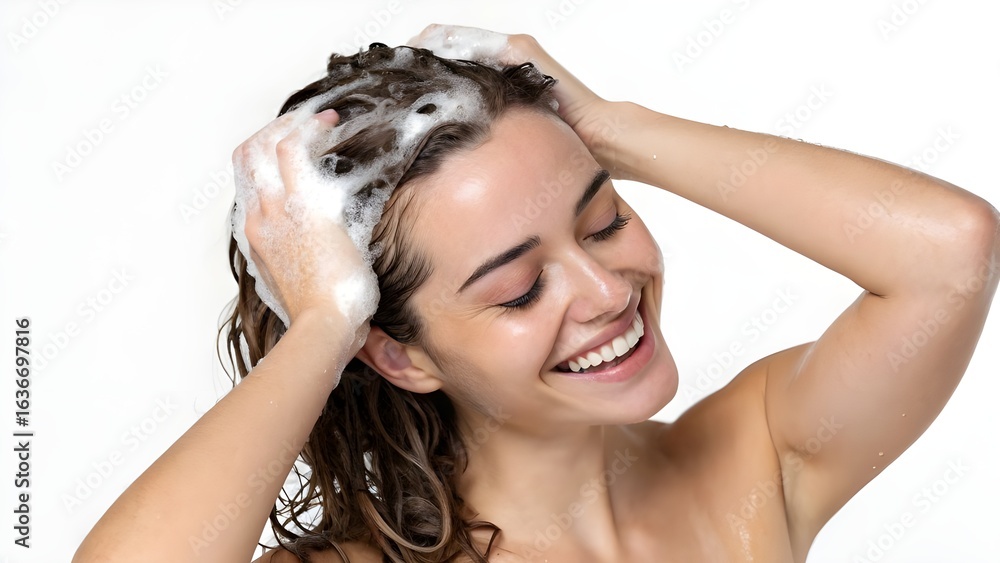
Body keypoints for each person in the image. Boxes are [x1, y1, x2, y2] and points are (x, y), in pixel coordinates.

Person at [73, 24, 1000, 563]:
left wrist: (610, 128)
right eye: (520, 290)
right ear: (399, 352)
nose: (606, 289)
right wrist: (322, 323)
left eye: (602, 221)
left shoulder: (750, 464)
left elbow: (950, 253)